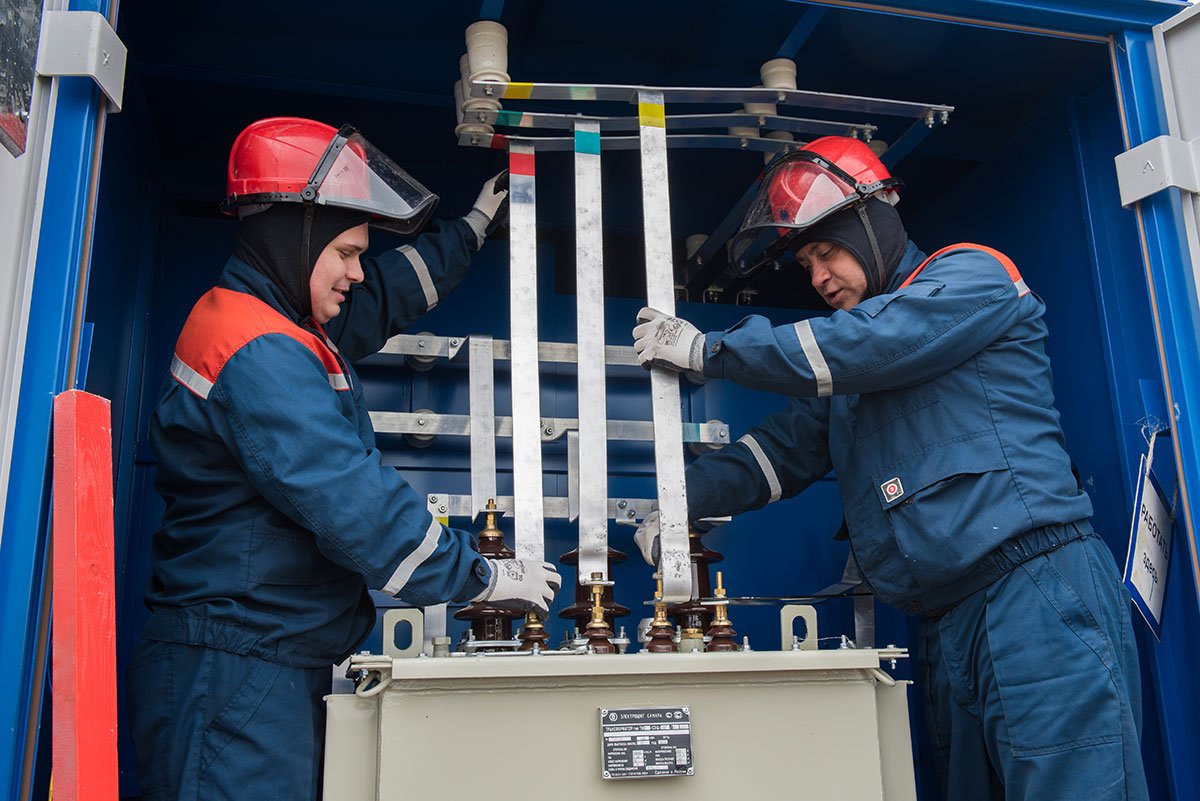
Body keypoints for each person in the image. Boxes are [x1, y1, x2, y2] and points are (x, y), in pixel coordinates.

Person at [631, 136, 1147, 801]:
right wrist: (675, 504)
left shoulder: (971, 277)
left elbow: (877, 340)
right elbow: (777, 454)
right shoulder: (850, 370)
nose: (817, 278)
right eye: (807, 262)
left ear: (874, 221)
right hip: (947, 622)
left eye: (827, 250)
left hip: (1035, 593)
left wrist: (711, 350)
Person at [127, 117, 561, 801]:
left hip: (259, 664)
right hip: (233, 672)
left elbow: (384, 295)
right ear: (294, 239)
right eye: (348, 252)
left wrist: (472, 226)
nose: (358, 273)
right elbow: (349, 497)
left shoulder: (276, 320)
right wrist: (479, 577)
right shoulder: (256, 348)